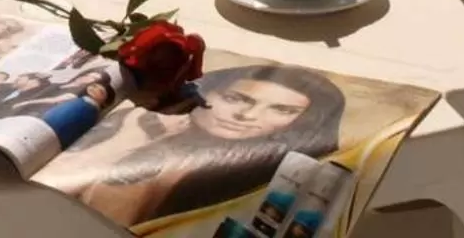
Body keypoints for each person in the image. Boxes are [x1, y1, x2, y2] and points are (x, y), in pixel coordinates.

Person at [58, 65, 347, 228]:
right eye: (235, 98)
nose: (246, 115)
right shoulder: (132, 129)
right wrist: (125, 141)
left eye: (282, 110)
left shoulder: (276, 183)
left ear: (301, 123)